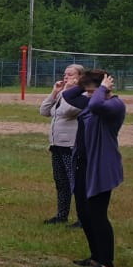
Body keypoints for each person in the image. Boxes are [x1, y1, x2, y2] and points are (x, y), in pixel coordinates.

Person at [62, 70, 125, 267]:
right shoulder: (92, 101)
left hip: (101, 166)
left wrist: (103, 88)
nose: (88, 96)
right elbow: (67, 96)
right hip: (83, 164)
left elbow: (97, 105)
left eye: (91, 92)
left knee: (98, 215)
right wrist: (82, 85)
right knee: (84, 213)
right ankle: (95, 256)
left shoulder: (115, 105)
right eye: (87, 92)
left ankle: (106, 264)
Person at [38, 64, 85, 225]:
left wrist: (67, 92)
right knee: (61, 182)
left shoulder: (81, 95)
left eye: (70, 75)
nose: (66, 77)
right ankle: (61, 215)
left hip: (71, 146)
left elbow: (66, 111)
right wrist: (54, 92)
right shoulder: (62, 94)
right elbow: (44, 111)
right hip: (56, 145)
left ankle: (83, 218)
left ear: (80, 78)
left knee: (76, 184)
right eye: (65, 74)